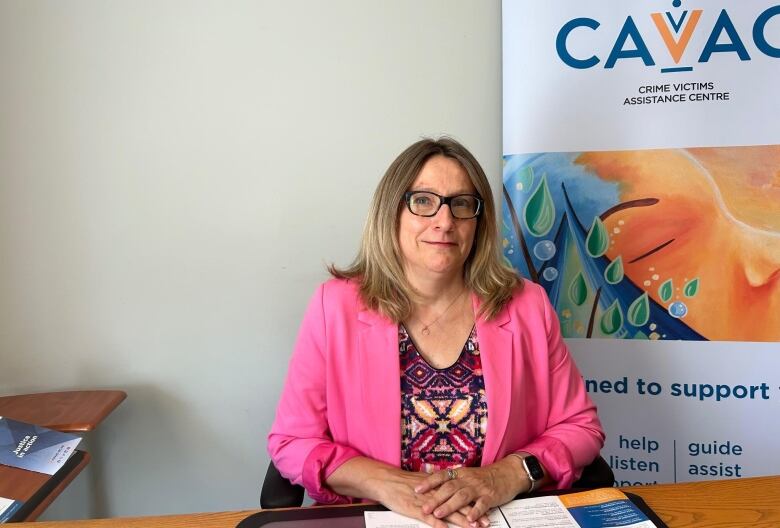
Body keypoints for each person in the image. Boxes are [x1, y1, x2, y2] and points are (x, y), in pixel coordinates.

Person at [268, 137, 604, 528]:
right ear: (391, 212)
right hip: (381, 517)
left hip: (495, 518)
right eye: (423, 201)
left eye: (462, 204)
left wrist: (506, 475)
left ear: (479, 222)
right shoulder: (335, 306)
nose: (445, 221)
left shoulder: (527, 305)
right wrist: (387, 484)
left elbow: (580, 428)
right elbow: (292, 443)